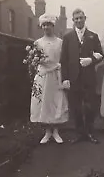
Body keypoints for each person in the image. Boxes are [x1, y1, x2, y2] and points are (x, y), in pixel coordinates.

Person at [60, 9, 104, 144]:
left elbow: (100, 54)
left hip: (88, 77)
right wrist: (65, 78)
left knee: (90, 106)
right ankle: (79, 133)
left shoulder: (93, 36)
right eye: (76, 19)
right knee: (76, 106)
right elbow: (64, 59)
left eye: (80, 18)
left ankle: (90, 132)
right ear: (73, 21)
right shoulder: (68, 37)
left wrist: (91, 60)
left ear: (85, 18)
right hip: (74, 78)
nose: (78, 21)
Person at [30, 14, 69, 144]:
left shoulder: (60, 42)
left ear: (53, 26)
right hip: (43, 75)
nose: (46, 27)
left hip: (56, 75)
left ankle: (56, 131)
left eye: (49, 25)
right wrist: (38, 61)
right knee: (44, 103)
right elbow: (34, 61)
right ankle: (47, 132)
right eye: (44, 25)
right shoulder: (37, 43)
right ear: (42, 27)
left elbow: (63, 60)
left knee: (56, 101)